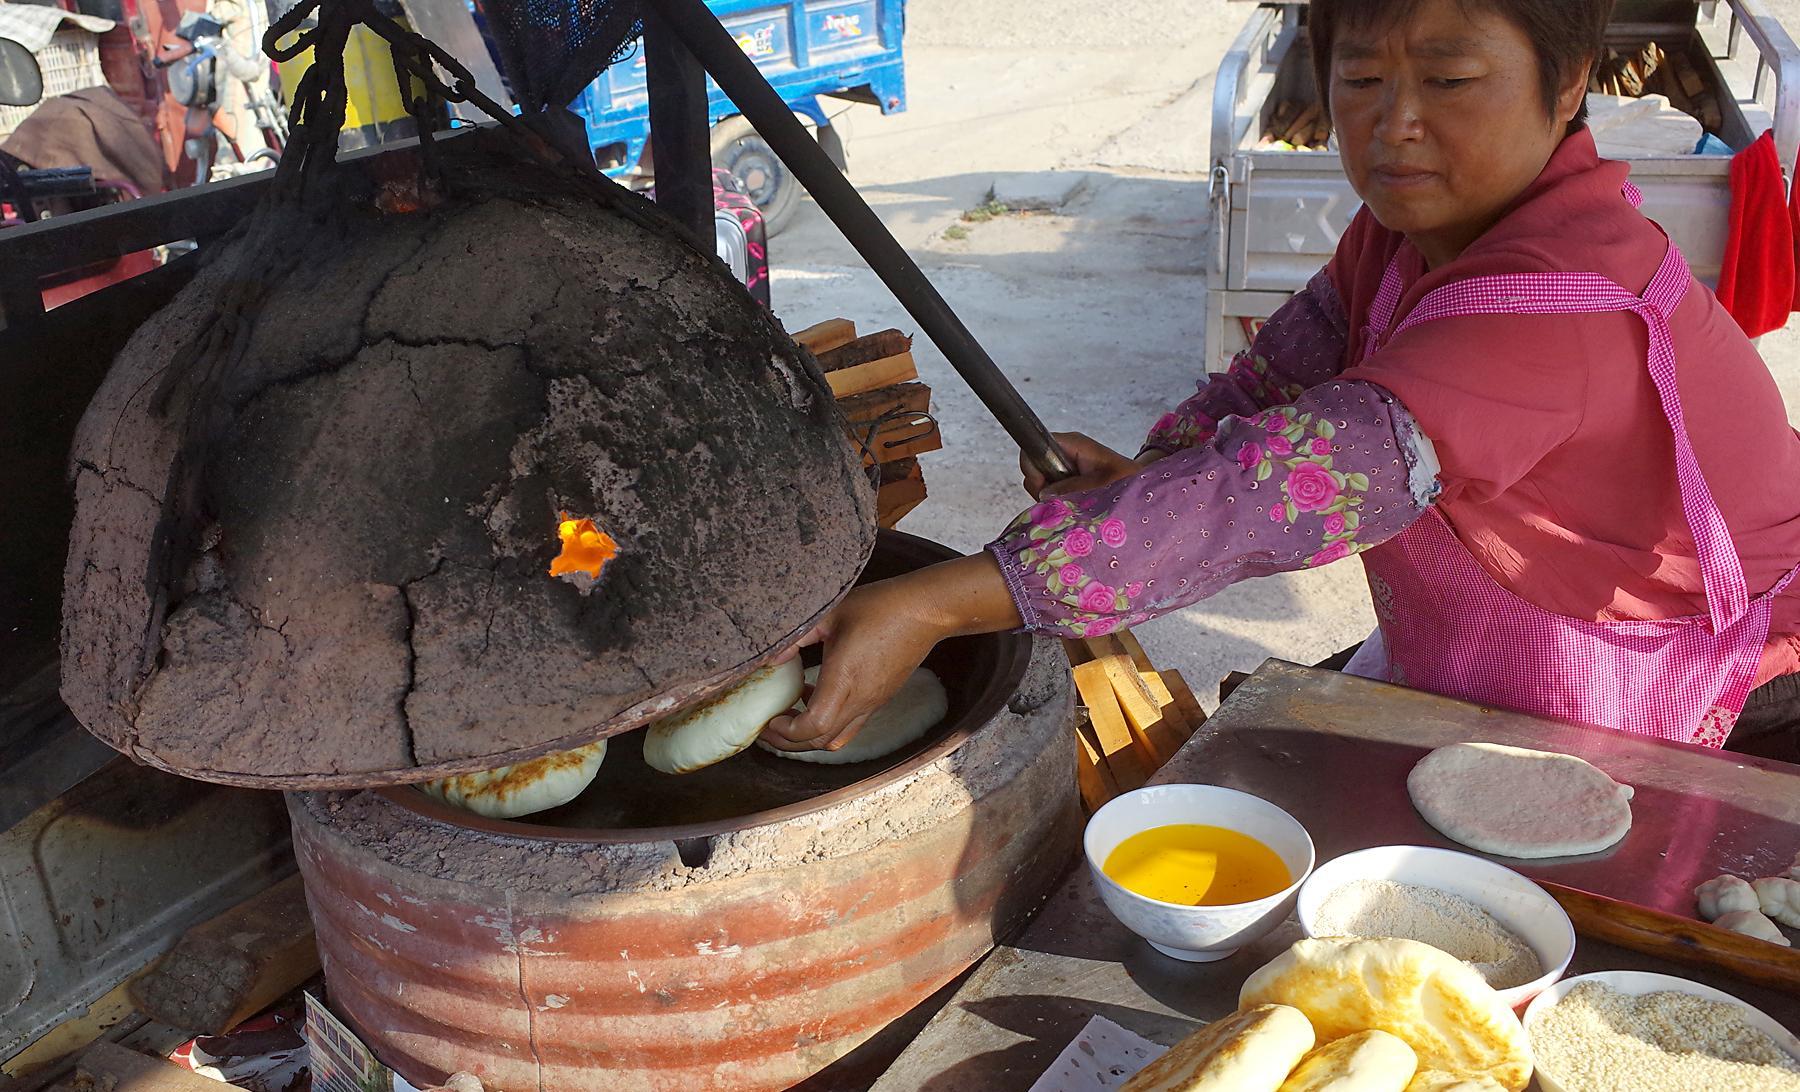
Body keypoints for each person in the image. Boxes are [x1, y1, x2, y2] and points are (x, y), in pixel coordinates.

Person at [762, 0, 1800, 762]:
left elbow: (1261, 497)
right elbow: (1273, 384)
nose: (1394, 123)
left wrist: (929, 608)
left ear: (1568, 84)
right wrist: (1148, 470)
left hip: (1693, 685)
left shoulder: (1551, 309)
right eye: (1360, 80)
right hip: (1513, 655)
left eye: (1449, 81)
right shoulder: (1408, 233)